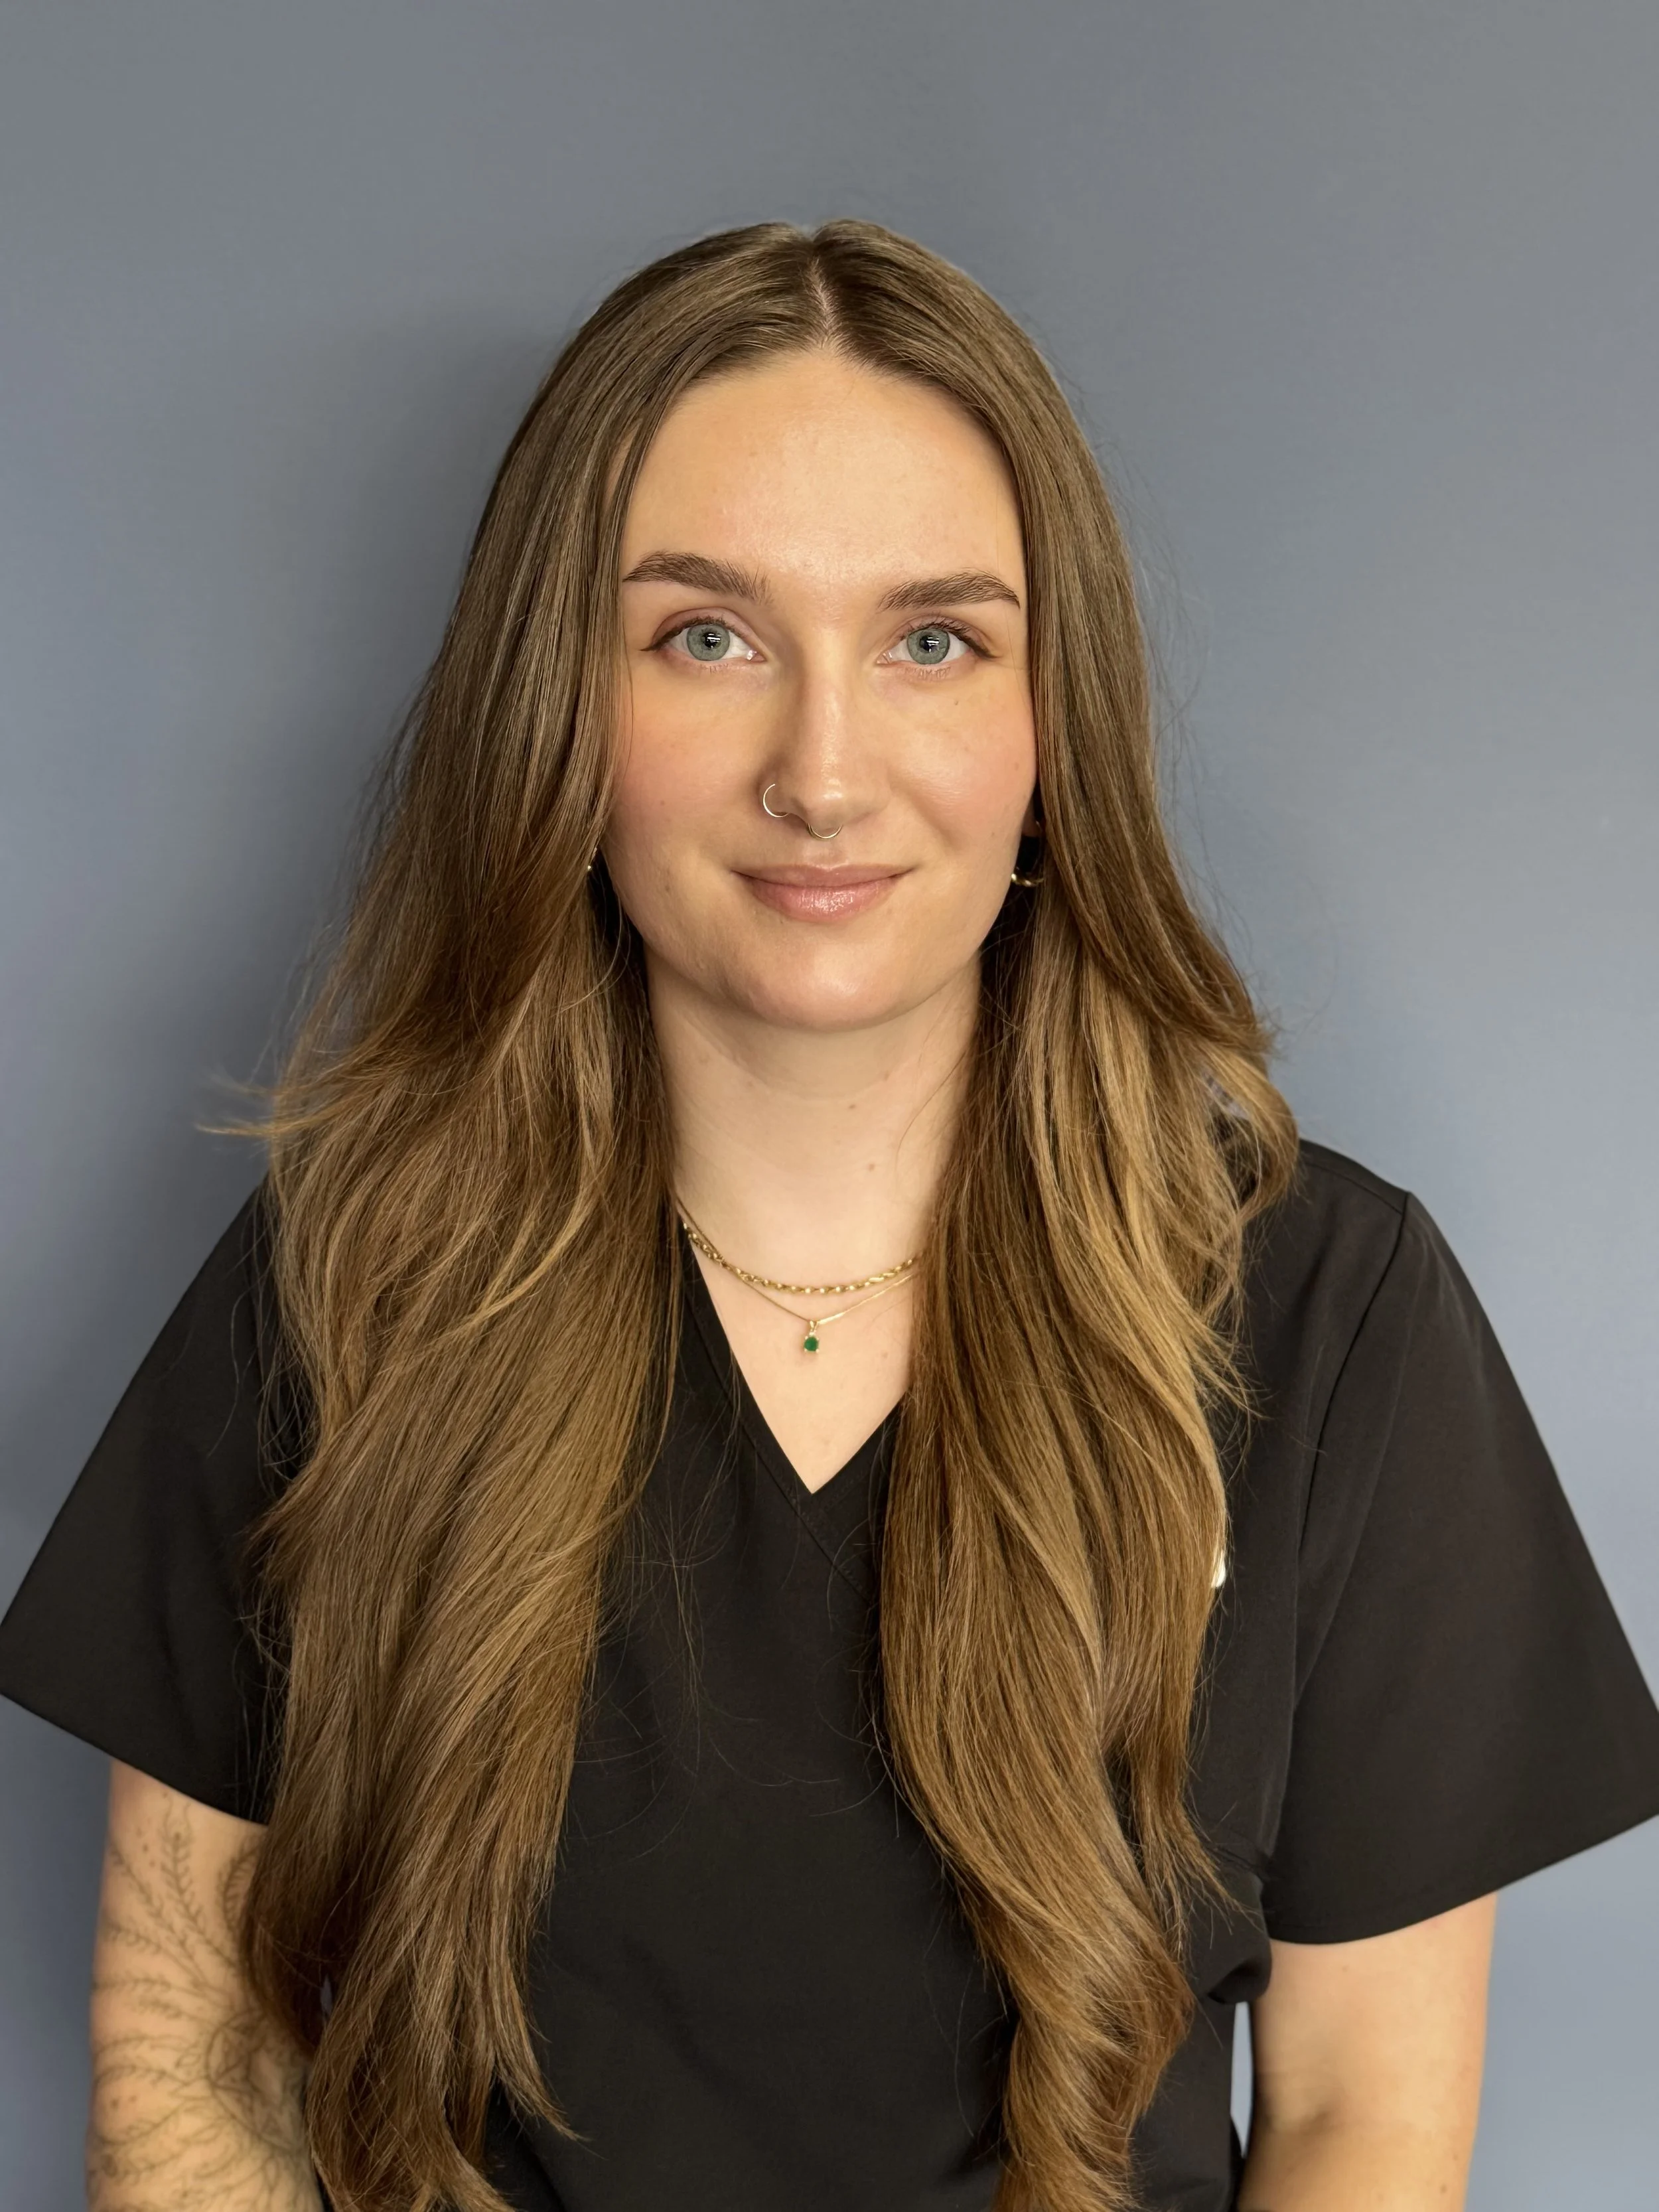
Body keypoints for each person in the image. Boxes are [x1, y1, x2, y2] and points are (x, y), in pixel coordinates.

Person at [2, 218, 1656, 2212]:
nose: (824, 771)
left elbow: (1359, 2122)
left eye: (932, 640)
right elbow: (186, 2042)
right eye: (706, 637)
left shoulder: (1331, 1315)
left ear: (1052, 724)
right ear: (559, 709)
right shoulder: (347, 1281)